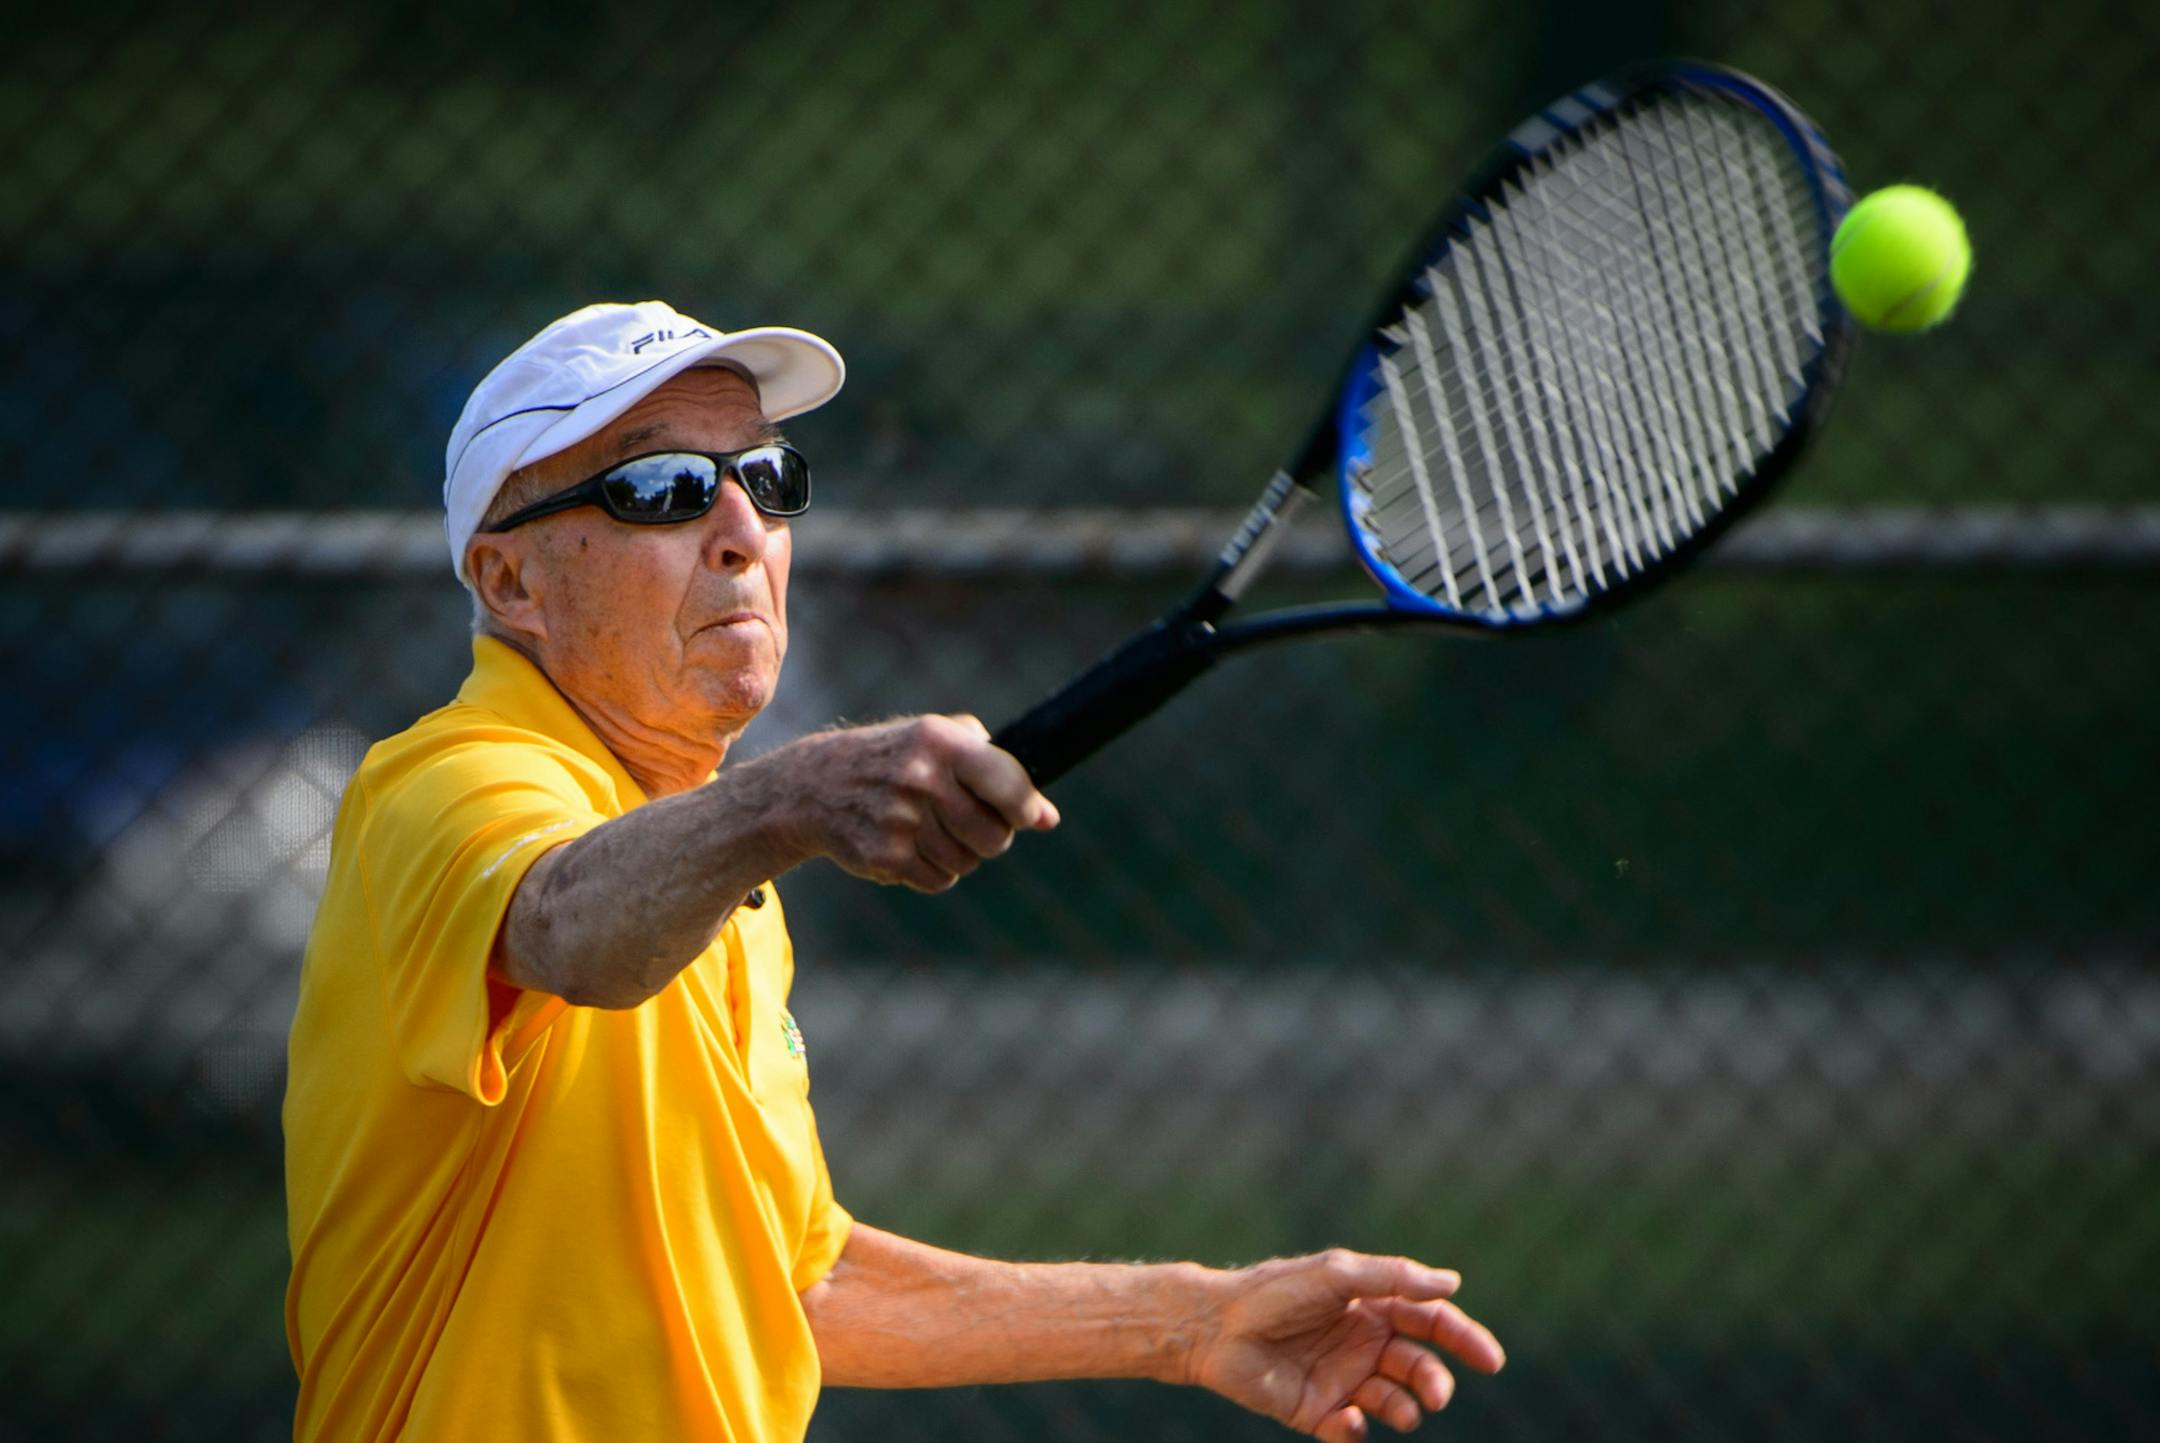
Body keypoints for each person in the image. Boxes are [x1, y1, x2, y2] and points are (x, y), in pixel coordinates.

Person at [282, 300, 1504, 1443]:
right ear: (510, 582)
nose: (742, 532)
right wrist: (791, 799)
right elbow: (563, 927)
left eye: (765, 477)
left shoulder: (717, 875)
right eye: (660, 489)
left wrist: (1193, 1319)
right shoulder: (443, 782)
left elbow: (792, 1276)